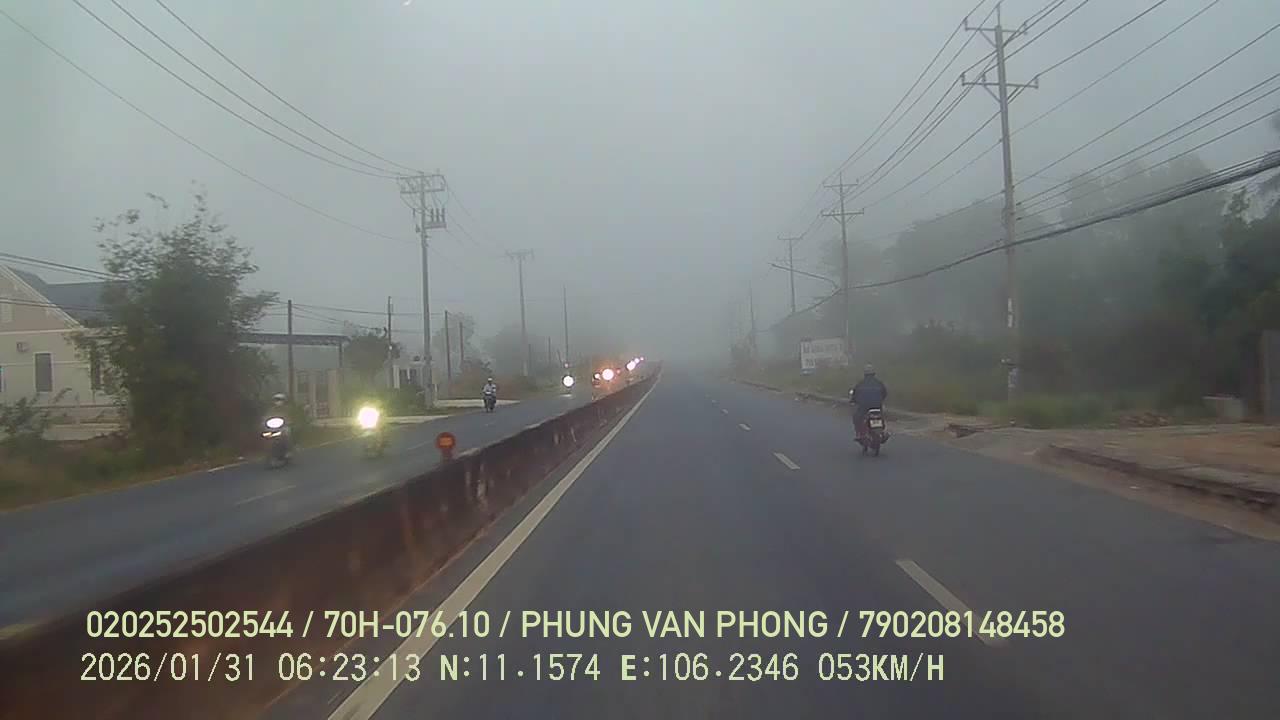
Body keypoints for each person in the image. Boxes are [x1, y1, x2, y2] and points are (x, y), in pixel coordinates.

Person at [849, 364, 888, 436]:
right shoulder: (879, 383)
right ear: (874, 374)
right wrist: (880, 400)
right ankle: (883, 431)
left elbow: (855, 394)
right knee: (882, 416)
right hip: (877, 406)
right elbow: (884, 393)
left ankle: (859, 433)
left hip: (864, 406)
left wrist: (853, 400)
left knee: (856, 417)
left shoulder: (860, 383)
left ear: (864, 374)